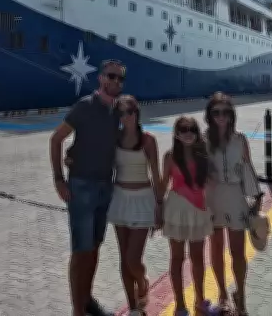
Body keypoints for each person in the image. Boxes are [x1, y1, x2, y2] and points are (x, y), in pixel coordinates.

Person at [50, 59, 126, 316]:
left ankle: (86, 299)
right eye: (111, 76)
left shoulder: (117, 111)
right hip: (81, 186)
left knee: (94, 247)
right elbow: (57, 139)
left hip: (105, 186)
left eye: (120, 78)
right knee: (80, 250)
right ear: (101, 78)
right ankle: (77, 310)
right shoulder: (85, 106)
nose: (116, 81)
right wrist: (59, 179)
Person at [204, 93, 261, 316]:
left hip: (236, 196)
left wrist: (256, 197)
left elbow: (248, 168)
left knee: (238, 251)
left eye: (225, 112)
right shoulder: (204, 140)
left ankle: (241, 294)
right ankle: (222, 295)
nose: (221, 117)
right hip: (213, 198)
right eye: (216, 112)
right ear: (210, 115)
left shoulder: (240, 140)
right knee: (216, 248)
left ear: (231, 115)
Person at [106, 95, 162, 315]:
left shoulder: (148, 141)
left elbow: (156, 175)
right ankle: (133, 307)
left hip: (142, 200)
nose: (125, 117)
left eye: (129, 112)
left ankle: (143, 281)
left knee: (133, 259)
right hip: (120, 199)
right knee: (124, 258)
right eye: (120, 113)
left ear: (136, 113)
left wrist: (160, 205)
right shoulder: (114, 138)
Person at [161, 116, 216, 316]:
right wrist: (157, 210)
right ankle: (180, 305)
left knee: (198, 258)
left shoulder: (203, 155)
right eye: (183, 130)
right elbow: (163, 184)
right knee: (177, 258)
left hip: (199, 210)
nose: (188, 133)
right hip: (176, 211)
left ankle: (200, 301)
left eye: (192, 129)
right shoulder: (170, 156)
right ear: (176, 134)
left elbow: (211, 182)